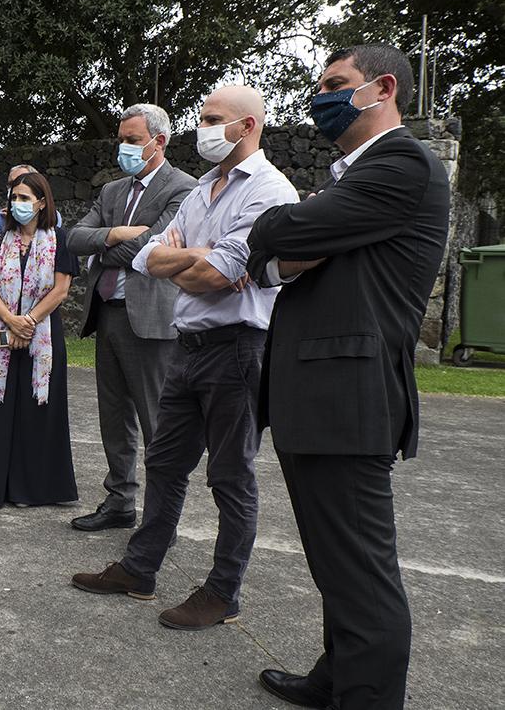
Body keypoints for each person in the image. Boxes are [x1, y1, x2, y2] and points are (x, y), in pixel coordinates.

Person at [245, 45, 449, 710]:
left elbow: (281, 230)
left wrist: (279, 228)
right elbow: (279, 261)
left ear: (383, 88)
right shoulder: (351, 178)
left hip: (347, 398)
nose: (321, 96)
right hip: (320, 397)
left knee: (362, 576)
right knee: (337, 565)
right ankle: (336, 677)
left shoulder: (399, 163)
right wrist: (285, 246)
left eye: (337, 84)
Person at [70, 86, 298, 630]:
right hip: (190, 348)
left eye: (214, 119)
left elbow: (212, 275)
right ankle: (140, 568)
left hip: (238, 348)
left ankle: (223, 592)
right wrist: (192, 257)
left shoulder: (269, 191)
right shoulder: (203, 190)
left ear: (248, 126)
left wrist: (190, 260)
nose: (204, 129)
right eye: (201, 118)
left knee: (231, 476)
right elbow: (149, 255)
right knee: (165, 463)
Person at [67, 103, 198, 532]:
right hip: (109, 314)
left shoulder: (184, 189)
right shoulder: (111, 192)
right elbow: (73, 237)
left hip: (154, 321)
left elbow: (154, 250)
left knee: (157, 423)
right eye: (121, 139)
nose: (123, 147)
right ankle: (120, 500)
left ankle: (162, 519)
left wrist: (106, 245)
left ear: (158, 142)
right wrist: (114, 234)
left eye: (132, 140)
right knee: (114, 416)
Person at [0, 172, 79, 507]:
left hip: (42, 334)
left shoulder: (60, 238)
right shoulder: (0, 240)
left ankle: (30, 489)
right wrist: (11, 321)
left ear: (42, 202)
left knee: (35, 409)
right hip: (3, 330)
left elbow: (61, 289)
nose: (18, 205)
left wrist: (27, 322)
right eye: (14, 198)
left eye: (25, 198)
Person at [0, 164, 61, 244]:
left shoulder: (54, 218)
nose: (17, 186)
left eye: (23, 180)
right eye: (11, 184)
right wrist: (10, 222)